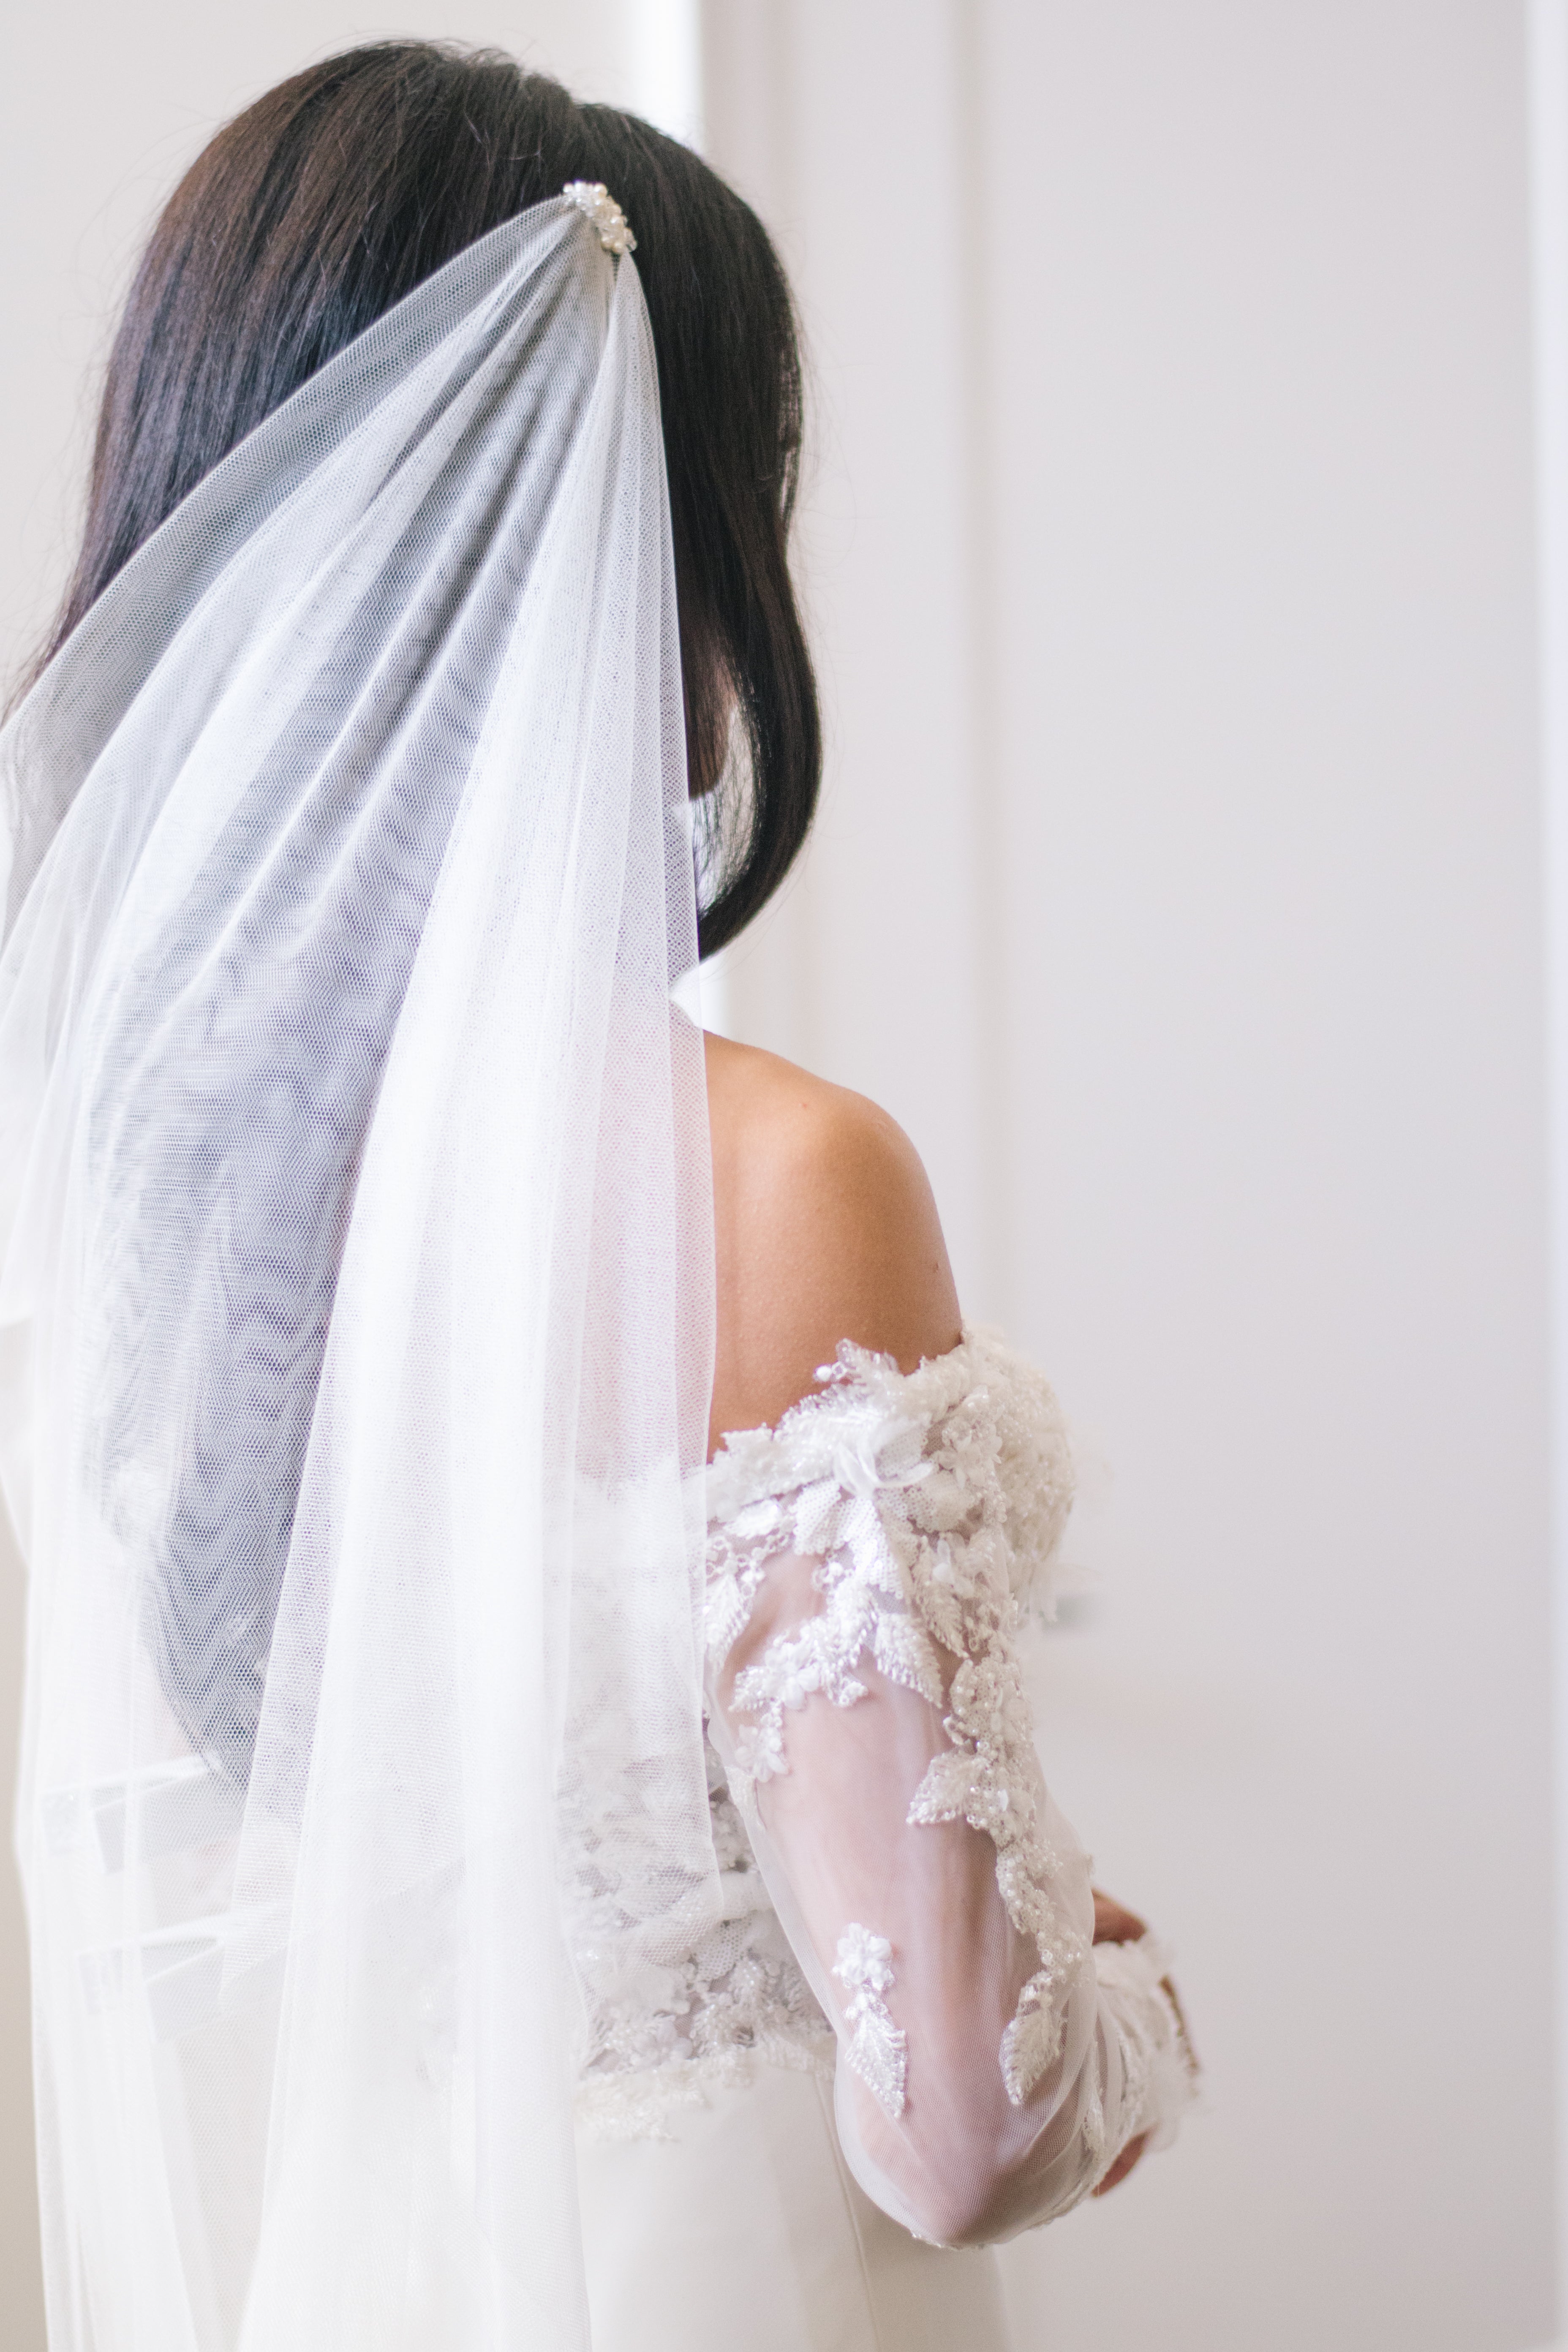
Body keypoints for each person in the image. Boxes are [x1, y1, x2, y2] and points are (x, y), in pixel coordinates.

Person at [0, 42, 1195, 2352]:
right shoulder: (773, 1172)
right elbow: (968, 2121)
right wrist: (1116, 2002)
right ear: (657, 549)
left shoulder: (150, 1202)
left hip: (368, 2274)